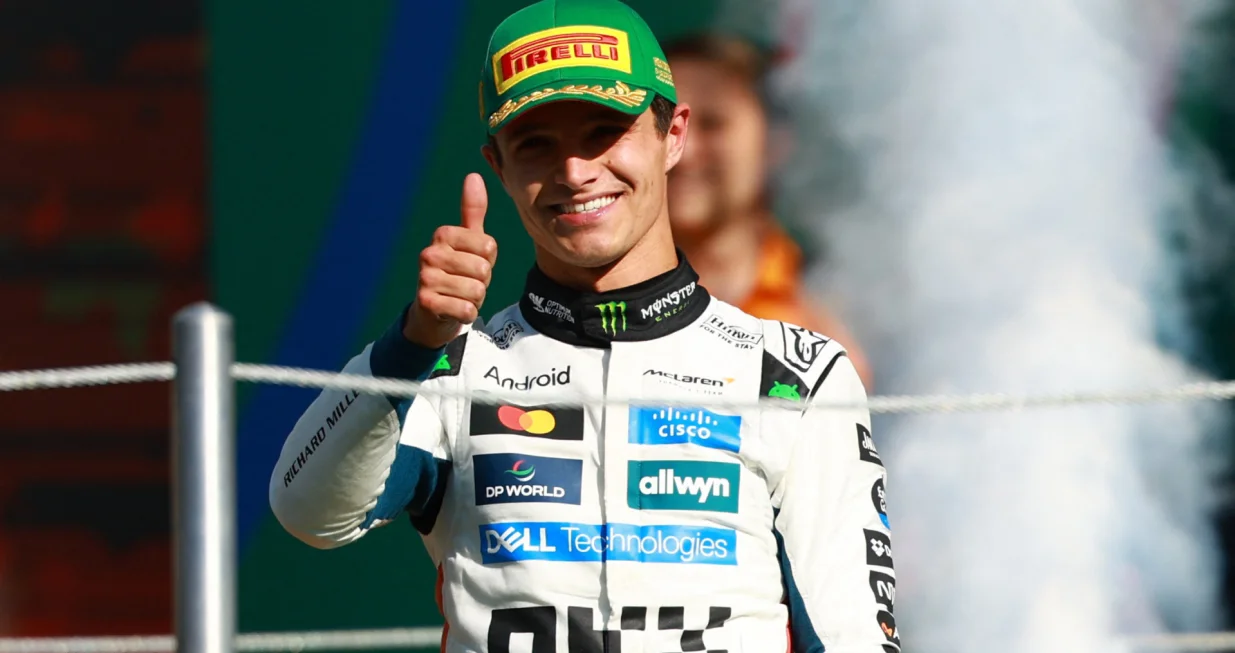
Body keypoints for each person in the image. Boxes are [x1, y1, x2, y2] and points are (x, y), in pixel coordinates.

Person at [269, 1, 898, 651]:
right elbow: (309, 513)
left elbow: (852, 631)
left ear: (672, 135)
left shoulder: (793, 369)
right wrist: (414, 340)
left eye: (603, 131)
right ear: (499, 164)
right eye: (537, 144)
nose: (574, 171)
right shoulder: (455, 364)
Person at [664, 32, 875, 388]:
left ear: (774, 142)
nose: (685, 152)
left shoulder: (847, 312)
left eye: (713, 124)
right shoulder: (584, 315)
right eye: (665, 128)